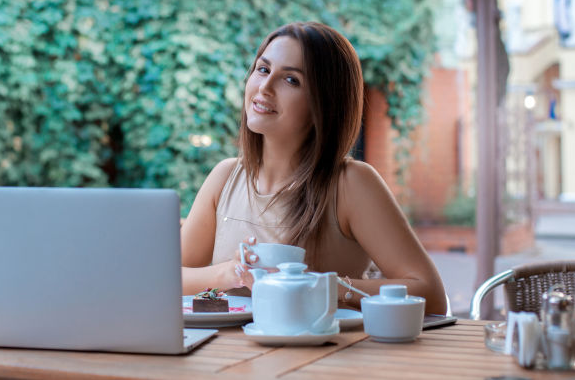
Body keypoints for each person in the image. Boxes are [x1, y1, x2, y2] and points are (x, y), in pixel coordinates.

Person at [181, 21, 447, 314]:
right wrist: (227, 274)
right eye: (263, 69)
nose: (265, 87)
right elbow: (169, 277)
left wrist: (322, 286)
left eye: (291, 80)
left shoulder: (350, 184)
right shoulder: (225, 177)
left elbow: (431, 295)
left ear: (324, 102)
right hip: (225, 345)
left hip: (323, 344)